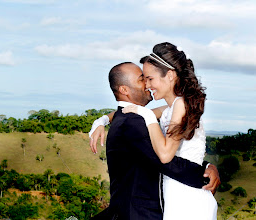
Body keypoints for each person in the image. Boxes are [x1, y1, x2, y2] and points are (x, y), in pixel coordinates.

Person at [90, 61, 220, 219]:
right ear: (124, 90)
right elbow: (165, 161)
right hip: (141, 214)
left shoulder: (131, 116)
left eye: (148, 78)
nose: (147, 83)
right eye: (141, 79)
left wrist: (102, 119)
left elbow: (167, 150)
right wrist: (204, 174)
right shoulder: (132, 122)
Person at [122, 42, 217, 219]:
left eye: (150, 78)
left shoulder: (181, 105)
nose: (147, 85)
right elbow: (131, 113)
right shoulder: (170, 109)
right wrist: (101, 120)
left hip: (188, 197)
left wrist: (147, 117)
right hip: (175, 194)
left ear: (170, 75)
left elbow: (166, 155)